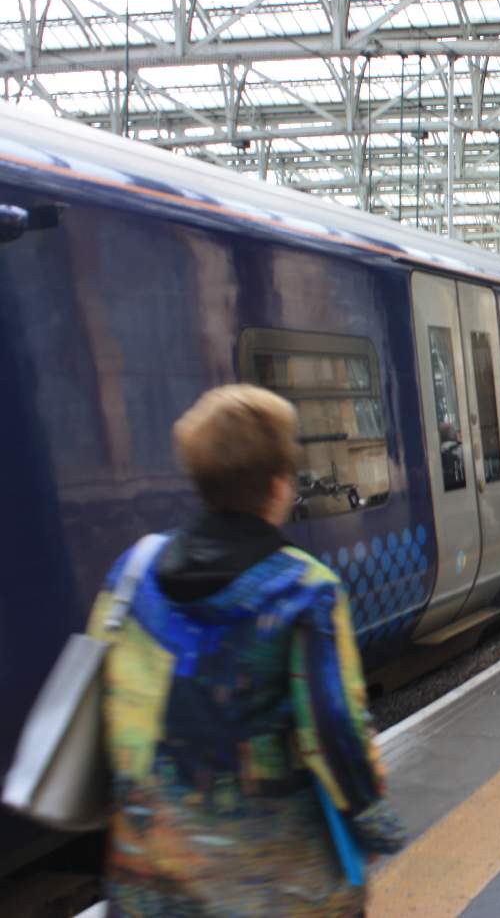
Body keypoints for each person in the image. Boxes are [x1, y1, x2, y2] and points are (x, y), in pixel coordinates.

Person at [86, 384, 403, 916]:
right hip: (277, 883)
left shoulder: (134, 569)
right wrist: (372, 824)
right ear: (280, 486)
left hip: (151, 877)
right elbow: (333, 729)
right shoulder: (304, 589)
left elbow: (109, 701)